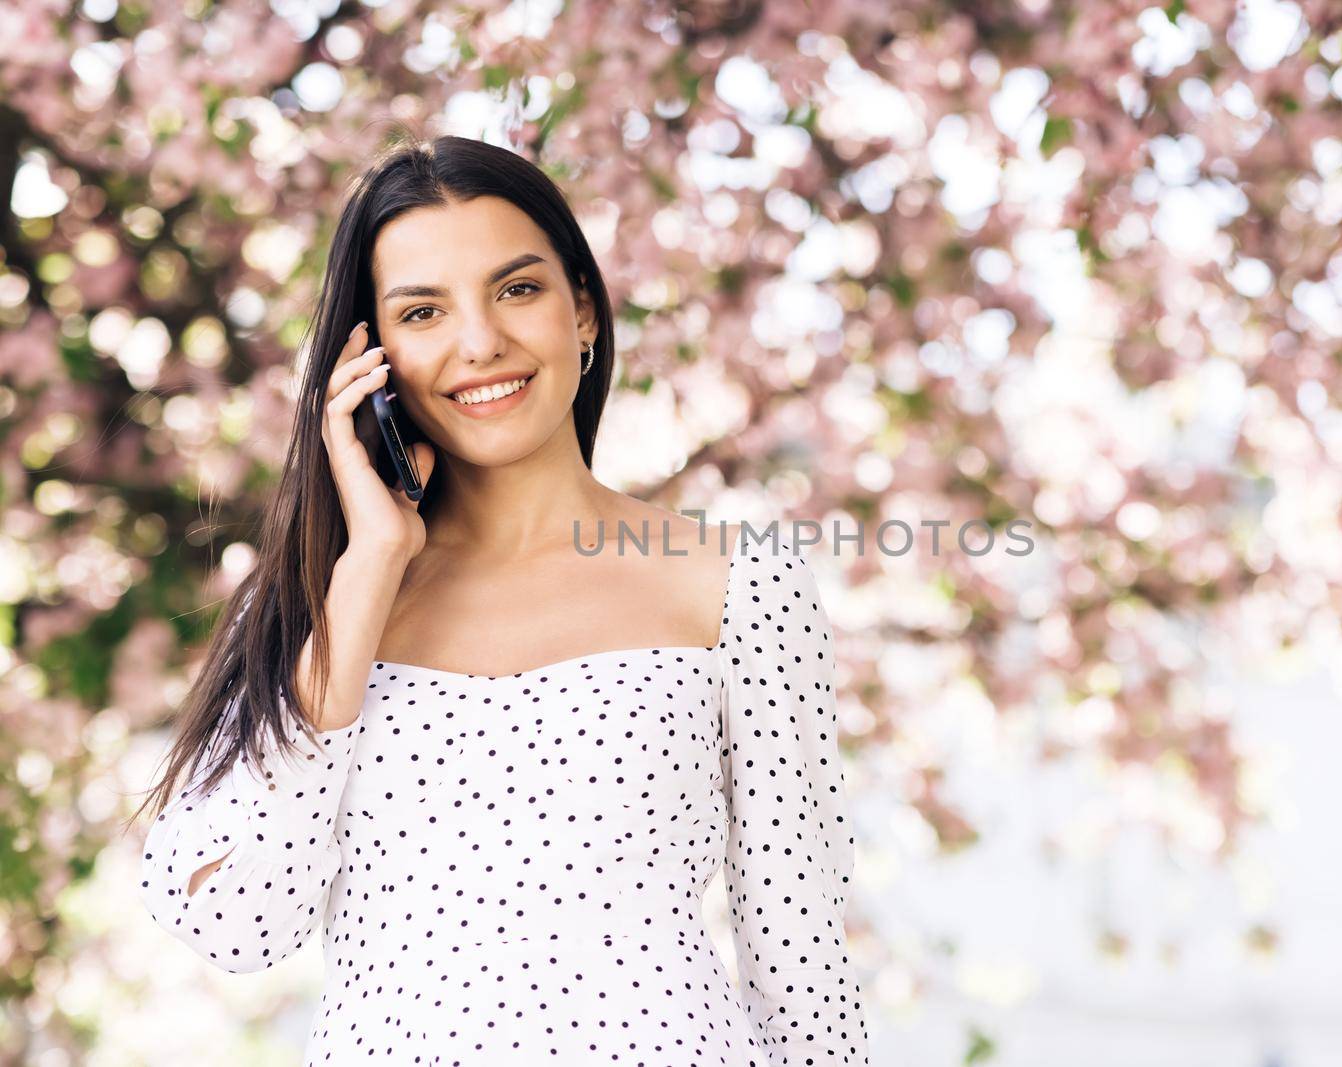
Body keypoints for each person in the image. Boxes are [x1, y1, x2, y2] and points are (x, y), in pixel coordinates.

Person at [130, 133, 868, 1065]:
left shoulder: (736, 584)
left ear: (584, 312)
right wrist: (368, 572)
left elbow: (799, 962)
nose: (480, 343)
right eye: (423, 311)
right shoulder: (317, 605)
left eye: (517, 289)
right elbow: (235, 924)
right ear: (373, 356)